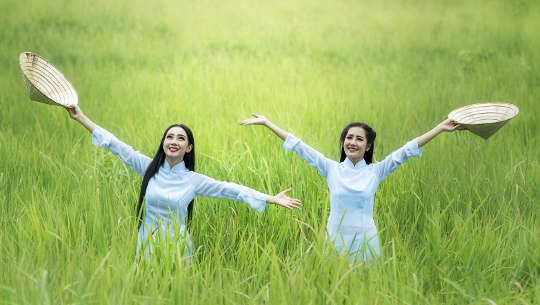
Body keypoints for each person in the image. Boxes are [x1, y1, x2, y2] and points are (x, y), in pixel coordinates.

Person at [65, 105, 302, 259]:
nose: (173, 140)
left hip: (177, 251)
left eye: (181, 138)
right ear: (163, 143)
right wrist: (80, 117)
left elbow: (231, 189)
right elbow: (115, 145)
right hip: (145, 248)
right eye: (169, 136)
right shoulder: (149, 168)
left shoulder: (193, 181)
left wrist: (270, 198)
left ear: (188, 148)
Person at [239, 113, 462, 263]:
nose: (352, 142)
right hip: (335, 240)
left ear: (368, 146)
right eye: (348, 138)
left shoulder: (376, 171)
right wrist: (268, 123)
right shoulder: (331, 169)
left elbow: (406, 150)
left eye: (359, 139)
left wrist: (440, 128)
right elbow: (299, 146)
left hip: (366, 240)